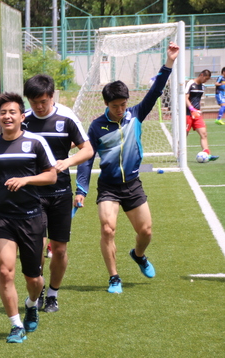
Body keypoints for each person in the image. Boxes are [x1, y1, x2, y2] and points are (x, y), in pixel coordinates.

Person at [75, 42, 180, 294]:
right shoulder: (96, 126)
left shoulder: (135, 115)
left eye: (123, 105)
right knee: (108, 228)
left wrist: (169, 62)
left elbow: (155, 92)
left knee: (146, 231)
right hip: (109, 187)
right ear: (106, 104)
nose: (120, 110)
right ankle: (114, 277)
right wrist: (81, 189)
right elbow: (87, 158)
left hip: (132, 184)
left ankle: (139, 255)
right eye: (115, 106)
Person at [0, 92, 57, 344]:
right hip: (3, 218)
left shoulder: (35, 142)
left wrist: (26, 179)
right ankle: (15, 325)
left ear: (22, 116)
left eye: (12, 112)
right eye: (3, 112)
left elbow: (52, 176)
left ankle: (32, 303)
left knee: (33, 279)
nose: (7, 116)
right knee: (5, 271)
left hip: (32, 217)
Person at [22, 74, 94, 312]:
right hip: (33, 193)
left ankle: (53, 293)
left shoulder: (66, 118)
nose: (39, 107)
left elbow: (88, 150)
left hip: (61, 192)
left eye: (43, 101)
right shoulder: (25, 121)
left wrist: (68, 162)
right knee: (37, 246)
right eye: (34, 102)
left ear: (51, 96)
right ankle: (38, 289)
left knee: (60, 249)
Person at [185, 70, 219, 161]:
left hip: (197, 114)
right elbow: (185, 98)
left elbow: (198, 99)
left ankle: (207, 154)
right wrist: (192, 109)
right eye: (206, 78)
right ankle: (180, 155)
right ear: (201, 75)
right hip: (187, 113)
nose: (206, 81)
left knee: (204, 134)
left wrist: (198, 110)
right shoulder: (190, 83)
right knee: (184, 135)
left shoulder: (203, 86)